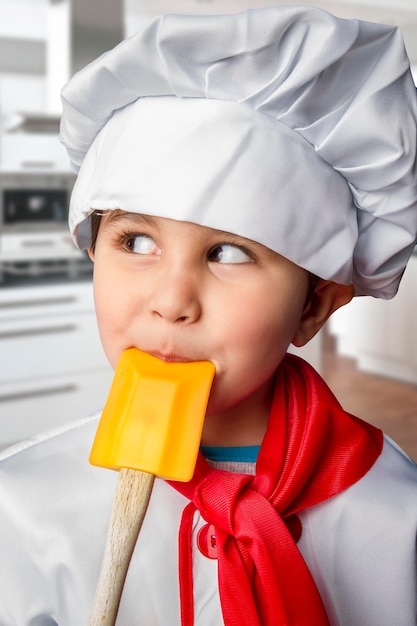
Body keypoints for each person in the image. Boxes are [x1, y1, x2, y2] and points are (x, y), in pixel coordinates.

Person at [0, 5, 417, 625]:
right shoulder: (22, 505)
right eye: (136, 241)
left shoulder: (397, 516)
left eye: (228, 253)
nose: (170, 300)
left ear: (315, 305)